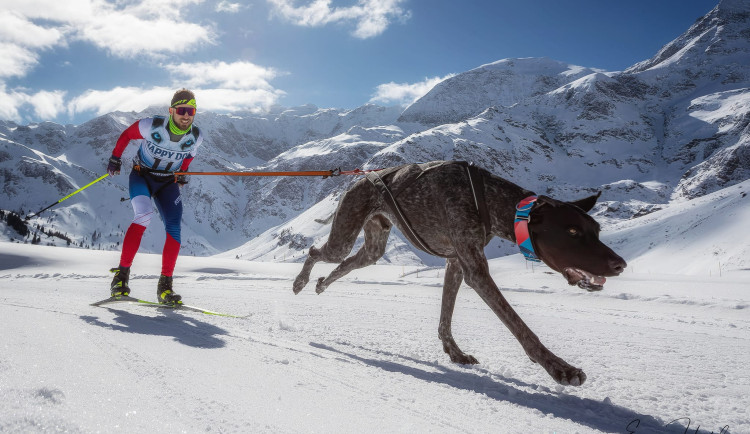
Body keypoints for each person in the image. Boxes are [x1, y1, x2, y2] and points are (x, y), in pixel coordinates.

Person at [106, 89, 203, 304]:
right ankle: (121, 278)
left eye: (191, 111)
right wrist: (115, 158)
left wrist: (182, 172)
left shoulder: (195, 136)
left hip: (167, 182)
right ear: (172, 111)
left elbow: (189, 156)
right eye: (182, 110)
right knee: (143, 215)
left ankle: (165, 287)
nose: (186, 115)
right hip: (143, 176)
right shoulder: (152, 125)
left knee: (175, 227)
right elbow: (126, 135)